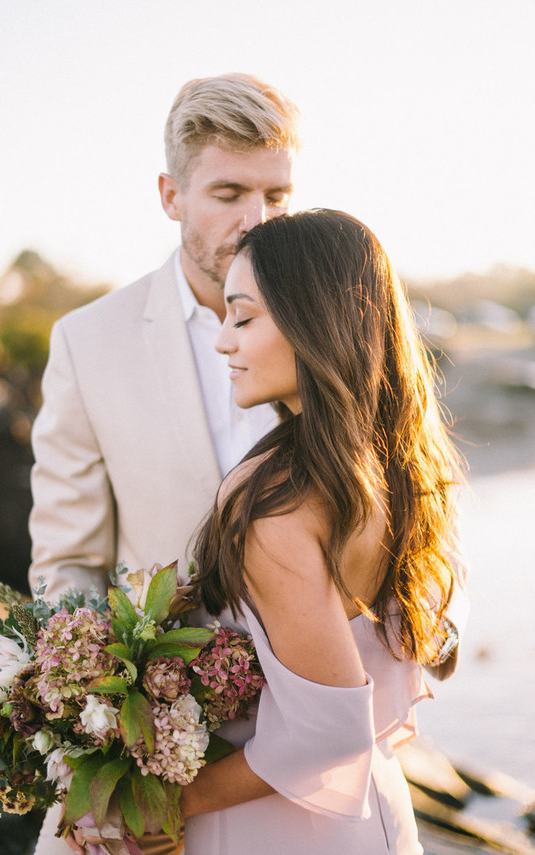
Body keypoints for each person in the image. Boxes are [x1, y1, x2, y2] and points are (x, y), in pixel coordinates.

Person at [28, 73, 301, 855]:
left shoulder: (341, 331)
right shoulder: (89, 341)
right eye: (228, 192)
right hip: (150, 758)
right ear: (170, 194)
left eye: (278, 196)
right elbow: (69, 563)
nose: (257, 222)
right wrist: (110, 734)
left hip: (311, 751)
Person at [183, 209, 466, 854]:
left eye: (244, 317)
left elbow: (327, 733)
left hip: (274, 830)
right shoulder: (396, 468)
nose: (224, 341)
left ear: (313, 322)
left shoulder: (270, 504)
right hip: (375, 817)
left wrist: (178, 801)